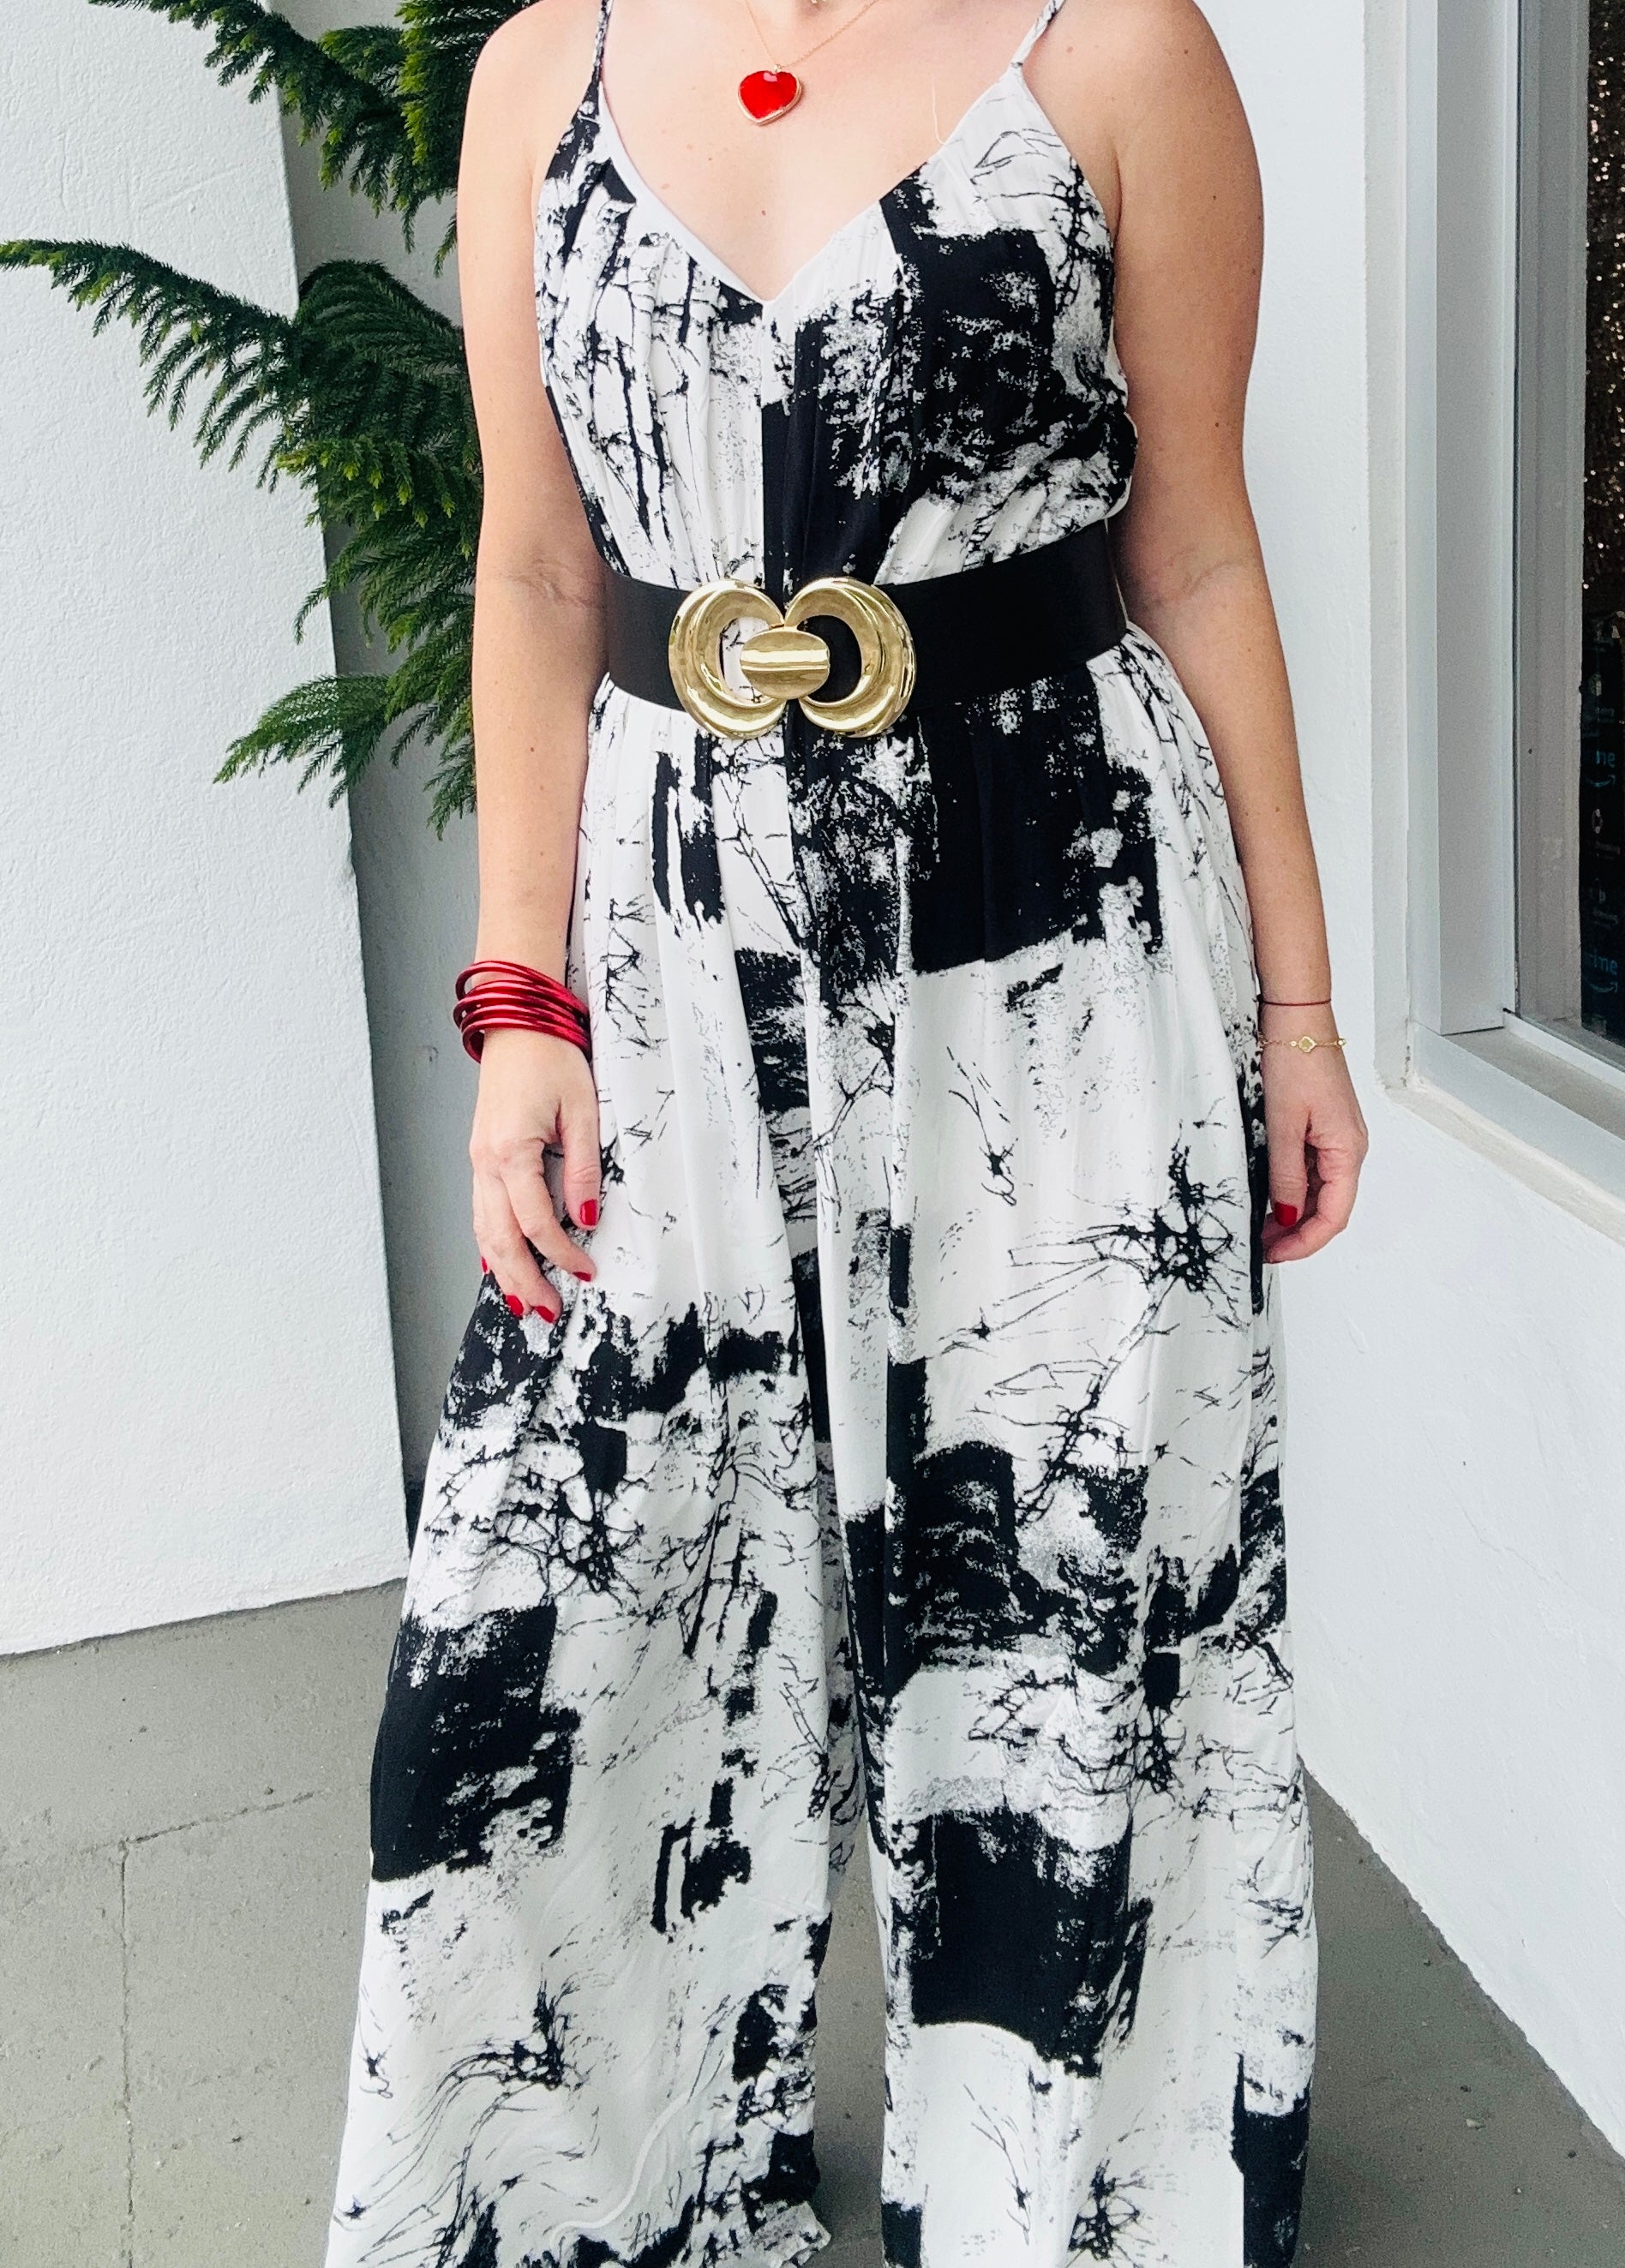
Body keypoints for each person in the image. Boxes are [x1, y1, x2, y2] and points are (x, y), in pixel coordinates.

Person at [326, 0, 1368, 2261]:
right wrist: (517, 1005)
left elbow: (1196, 549)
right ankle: (595, 2206)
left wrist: (1297, 1006)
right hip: (661, 955)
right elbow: (534, 568)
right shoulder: (545, 75)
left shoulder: (1116, 53)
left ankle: (1079, 2208)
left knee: (1061, 1616)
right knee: (541, 1644)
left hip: (1056, 935)